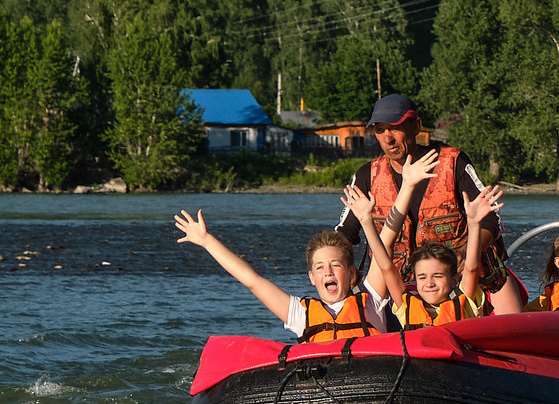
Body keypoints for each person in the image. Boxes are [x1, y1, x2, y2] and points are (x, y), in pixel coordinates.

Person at [337, 94, 525, 315]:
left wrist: (464, 254)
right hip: (401, 294)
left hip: (467, 285)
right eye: (380, 130)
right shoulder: (366, 176)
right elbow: (343, 234)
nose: (388, 139)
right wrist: (332, 267)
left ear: (416, 126)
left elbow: (492, 220)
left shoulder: (454, 163)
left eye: (395, 128)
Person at [174, 209, 396, 341]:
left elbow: (384, 245)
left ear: (351, 274)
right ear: (311, 277)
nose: (327, 271)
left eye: (335, 265)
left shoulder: (371, 301)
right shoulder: (301, 314)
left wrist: (408, 185)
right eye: (319, 267)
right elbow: (252, 280)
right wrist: (206, 241)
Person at [352, 180, 505, 328]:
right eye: (422, 277)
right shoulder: (406, 306)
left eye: (437, 276)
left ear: (454, 280)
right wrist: (366, 221)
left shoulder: (464, 303)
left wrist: (474, 223)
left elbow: (471, 267)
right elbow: (386, 266)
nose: (429, 283)